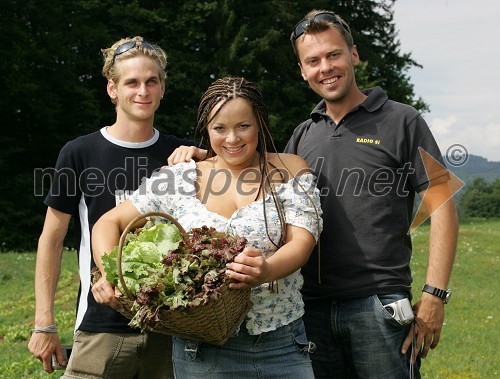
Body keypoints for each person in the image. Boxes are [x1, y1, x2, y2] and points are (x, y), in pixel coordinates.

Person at [91, 76, 323, 379]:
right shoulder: (180, 178)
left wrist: (267, 270)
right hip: (200, 353)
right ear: (206, 129)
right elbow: (109, 221)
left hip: (282, 345)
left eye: (243, 126)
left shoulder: (289, 168)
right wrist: (111, 273)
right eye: (219, 128)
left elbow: (302, 241)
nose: (232, 139)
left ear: (260, 124)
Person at [284, 10, 459, 379]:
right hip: (310, 309)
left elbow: (441, 205)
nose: (325, 67)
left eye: (333, 54)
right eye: (312, 61)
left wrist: (435, 294)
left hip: (380, 306)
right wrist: (196, 156)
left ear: (354, 55)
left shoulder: (403, 121)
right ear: (303, 71)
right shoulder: (302, 135)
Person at [28, 36, 205, 377]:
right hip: (101, 327)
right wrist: (44, 322)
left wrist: (204, 157)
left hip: (170, 330)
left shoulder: (181, 154)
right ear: (112, 89)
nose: (143, 91)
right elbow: (51, 239)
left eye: (151, 81)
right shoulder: (80, 153)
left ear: (163, 88)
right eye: (132, 82)